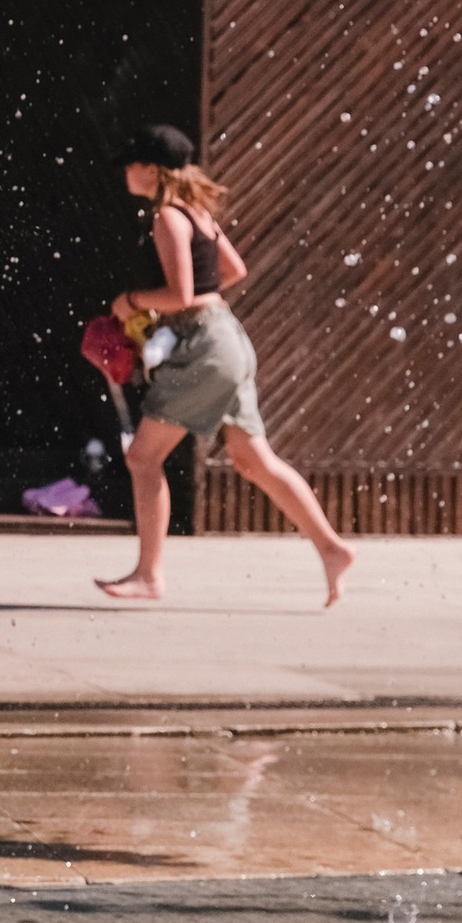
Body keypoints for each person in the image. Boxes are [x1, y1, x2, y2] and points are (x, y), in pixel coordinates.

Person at [91, 124, 354, 607]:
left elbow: (182, 295)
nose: (126, 171)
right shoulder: (200, 215)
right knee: (255, 460)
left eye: (132, 163)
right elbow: (232, 271)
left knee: (143, 458)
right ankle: (331, 549)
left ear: (151, 168)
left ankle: (149, 576)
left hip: (204, 346)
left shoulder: (168, 217)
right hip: (228, 336)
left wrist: (130, 301)